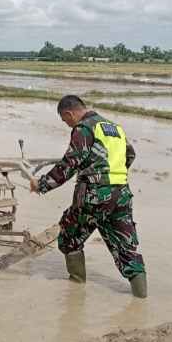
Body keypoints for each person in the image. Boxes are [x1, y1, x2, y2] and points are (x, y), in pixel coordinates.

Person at [30, 95, 147, 298]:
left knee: (69, 235)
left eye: (66, 121)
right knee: (126, 246)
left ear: (69, 113)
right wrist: (111, 176)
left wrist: (41, 184)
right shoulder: (113, 128)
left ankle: (76, 290)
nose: (68, 125)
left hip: (94, 196)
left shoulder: (84, 128)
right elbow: (130, 155)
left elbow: (70, 163)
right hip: (121, 194)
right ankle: (141, 299)